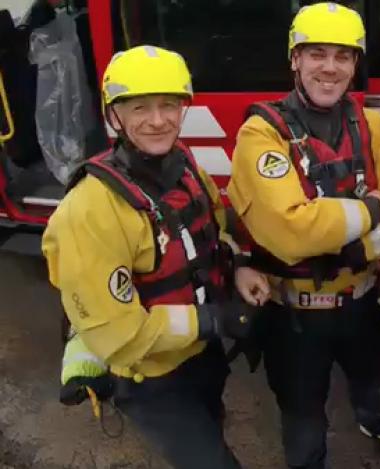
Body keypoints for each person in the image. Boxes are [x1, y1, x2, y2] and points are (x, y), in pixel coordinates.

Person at [42, 45, 270, 469]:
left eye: (169, 105)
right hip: (150, 376)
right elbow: (119, 332)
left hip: (202, 356)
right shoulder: (89, 208)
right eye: (140, 108)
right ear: (114, 116)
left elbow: (214, 231)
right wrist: (216, 319)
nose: (158, 120)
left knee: (212, 427)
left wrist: (238, 266)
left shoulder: (184, 167)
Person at [226, 3, 380, 468]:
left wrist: (365, 246)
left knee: (373, 379)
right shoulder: (261, 134)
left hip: (362, 301)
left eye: (343, 55)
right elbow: (294, 233)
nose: (330, 67)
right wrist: (374, 206)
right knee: (303, 419)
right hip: (294, 315)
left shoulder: (370, 124)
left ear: (356, 65)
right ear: (294, 59)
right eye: (316, 53)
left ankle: (375, 421)